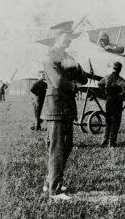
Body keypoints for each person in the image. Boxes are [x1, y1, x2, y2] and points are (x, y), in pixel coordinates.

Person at [40, 21, 88, 201]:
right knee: (57, 147)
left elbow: (82, 77)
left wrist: (75, 66)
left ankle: (50, 182)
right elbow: (58, 83)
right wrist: (74, 85)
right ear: (58, 37)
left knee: (64, 147)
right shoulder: (50, 57)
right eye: (67, 36)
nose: (69, 39)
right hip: (56, 108)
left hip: (65, 107)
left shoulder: (66, 55)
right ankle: (55, 190)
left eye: (70, 36)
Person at [98, 61, 125, 147]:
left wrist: (105, 91)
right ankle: (112, 142)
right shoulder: (119, 79)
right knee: (116, 121)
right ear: (120, 69)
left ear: (113, 68)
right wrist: (122, 94)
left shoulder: (107, 77)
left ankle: (105, 140)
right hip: (117, 101)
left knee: (108, 121)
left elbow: (100, 83)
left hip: (108, 100)